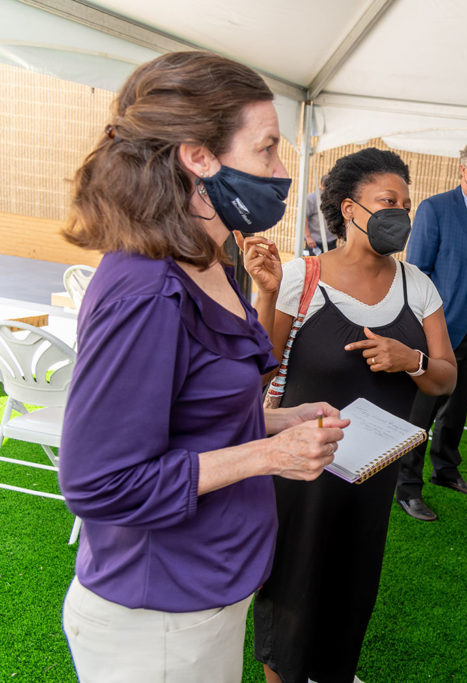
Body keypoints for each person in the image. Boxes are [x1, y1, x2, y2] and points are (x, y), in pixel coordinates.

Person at [57, 51, 346, 683]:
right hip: (156, 611)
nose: (280, 171)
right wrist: (268, 457)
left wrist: (274, 421)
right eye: (267, 149)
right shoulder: (147, 290)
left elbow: (193, 409)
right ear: (198, 157)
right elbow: (96, 483)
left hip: (206, 586)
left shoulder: (207, 260)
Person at [250, 148, 457, 683]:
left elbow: (445, 377)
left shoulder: (419, 286)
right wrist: (267, 295)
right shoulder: (302, 277)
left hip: (371, 473)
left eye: (406, 205)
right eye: (388, 202)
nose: (401, 215)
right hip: (303, 468)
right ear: (349, 208)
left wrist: (408, 359)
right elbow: (261, 373)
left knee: (353, 581)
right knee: (293, 583)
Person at [397, 137, 467, 521]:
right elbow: (417, 271)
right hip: (440, 330)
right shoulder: (436, 209)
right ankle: (406, 486)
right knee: (422, 410)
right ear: (463, 168)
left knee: (457, 407)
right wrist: (425, 326)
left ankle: (445, 470)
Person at [304, 174, 337, 254]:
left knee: (330, 265)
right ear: (322, 186)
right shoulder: (311, 198)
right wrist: (308, 237)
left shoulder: (335, 198)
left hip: (331, 241)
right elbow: (304, 218)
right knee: (313, 266)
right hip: (315, 242)